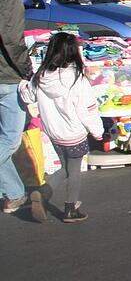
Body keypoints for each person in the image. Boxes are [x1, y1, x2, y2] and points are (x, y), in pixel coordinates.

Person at [19, 32, 103, 222]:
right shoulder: (77, 79)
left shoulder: (40, 77)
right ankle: (70, 208)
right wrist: (97, 131)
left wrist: (22, 84)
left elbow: (27, 96)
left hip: (53, 132)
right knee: (73, 170)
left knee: (65, 167)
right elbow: (87, 109)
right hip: (74, 132)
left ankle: (43, 193)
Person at [0, 0, 31, 215]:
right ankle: (14, 191)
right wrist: (27, 69)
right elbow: (11, 36)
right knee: (10, 137)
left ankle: (13, 192)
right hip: (6, 74)